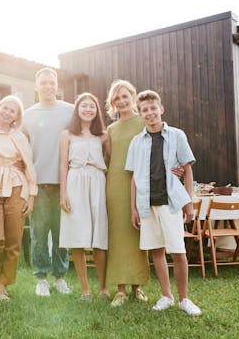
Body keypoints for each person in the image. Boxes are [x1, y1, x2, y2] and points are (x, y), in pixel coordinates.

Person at [126, 89, 202, 316]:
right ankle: (166, 296)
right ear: (140, 114)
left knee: (177, 251)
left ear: (161, 109)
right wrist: (133, 209)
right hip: (146, 204)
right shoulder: (136, 142)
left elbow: (187, 170)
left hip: (170, 203)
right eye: (144, 110)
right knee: (156, 250)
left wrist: (188, 203)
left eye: (152, 108)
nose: (149, 113)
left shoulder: (177, 135)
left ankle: (184, 299)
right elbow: (134, 178)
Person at [0, 95, 37, 301]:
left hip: (17, 187)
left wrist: (31, 197)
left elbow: (29, 166)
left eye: (13, 110)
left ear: (16, 117)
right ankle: (1, 275)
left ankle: (2, 285)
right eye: (5, 107)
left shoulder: (20, 137)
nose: (7, 112)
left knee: (13, 241)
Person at [22, 67, 73, 296]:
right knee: (39, 232)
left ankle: (60, 277)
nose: (48, 86)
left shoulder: (70, 111)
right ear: (36, 87)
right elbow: (21, 149)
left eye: (52, 83)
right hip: (38, 184)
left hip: (65, 183)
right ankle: (41, 278)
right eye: (43, 83)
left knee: (63, 232)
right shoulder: (28, 115)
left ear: (57, 85)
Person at [59, 93, 110, 301]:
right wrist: (63, 193)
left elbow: (111, 160)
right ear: (77, 109)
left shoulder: (104, 136)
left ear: (97, 110)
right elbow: (63, 164)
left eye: (92, 106)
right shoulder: (67, 135)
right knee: (77, 237)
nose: (88, 109)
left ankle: (104, 287)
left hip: (97, 180)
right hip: (75, 180)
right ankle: (85, 289)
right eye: (84, 106)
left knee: (99, 236)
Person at [104, 80, 149, 307]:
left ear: (133, 96)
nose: (121, 101)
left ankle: (137, 286)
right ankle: (120, 290)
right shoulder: (110, 130)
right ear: (113, 103)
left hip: (139, 184)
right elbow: (109, 159)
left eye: (125, 96)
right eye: (117, 98)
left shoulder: (144, 122)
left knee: (138, 233)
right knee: (118, 235)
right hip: (115, 185)